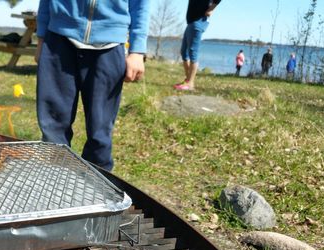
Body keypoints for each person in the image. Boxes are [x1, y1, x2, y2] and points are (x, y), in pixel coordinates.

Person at [35, 0, 150, 171]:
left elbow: (141, 4)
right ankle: (53, 176)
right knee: (53, 124)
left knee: (100, 131)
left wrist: (137, 50)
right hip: (58, 40)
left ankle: (97, 187)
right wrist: (41, 38)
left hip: (109, 47)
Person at [174, 0, 221, 91]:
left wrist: (211, 9)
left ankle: (190, 83)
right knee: (184, 52)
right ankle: (187, 80)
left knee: (192, 52)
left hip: (199, 21)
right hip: (191, 22)